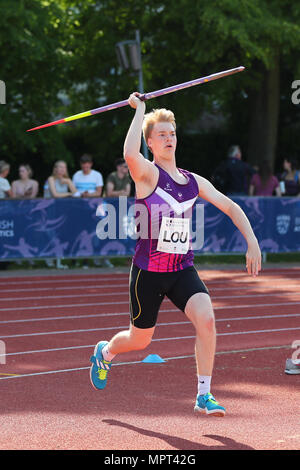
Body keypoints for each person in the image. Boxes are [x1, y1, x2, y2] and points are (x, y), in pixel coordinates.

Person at [89, 92, 262, 417]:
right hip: (148, 272)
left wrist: (251, 241)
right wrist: (139, 109)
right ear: (150, 143)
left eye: (172, 133)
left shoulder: (192, 181)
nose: (169, 138)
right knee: (140, 341)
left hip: (182, 269)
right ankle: (106, 352)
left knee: (207, 320)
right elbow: (128, 153)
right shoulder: (148, 175)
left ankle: (203, 395)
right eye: (161, 135)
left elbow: (231, 206)